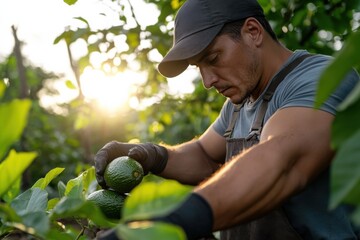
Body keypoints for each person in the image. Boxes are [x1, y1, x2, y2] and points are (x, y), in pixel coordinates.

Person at [94, 0, 360, 239]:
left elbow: (282, 162)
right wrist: (153, 155)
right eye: (200, 68)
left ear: (252, 32)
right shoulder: (238, 103)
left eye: (213, 58)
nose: (208, 81)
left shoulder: (322, 78)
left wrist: (168, 224)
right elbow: (206, 155)